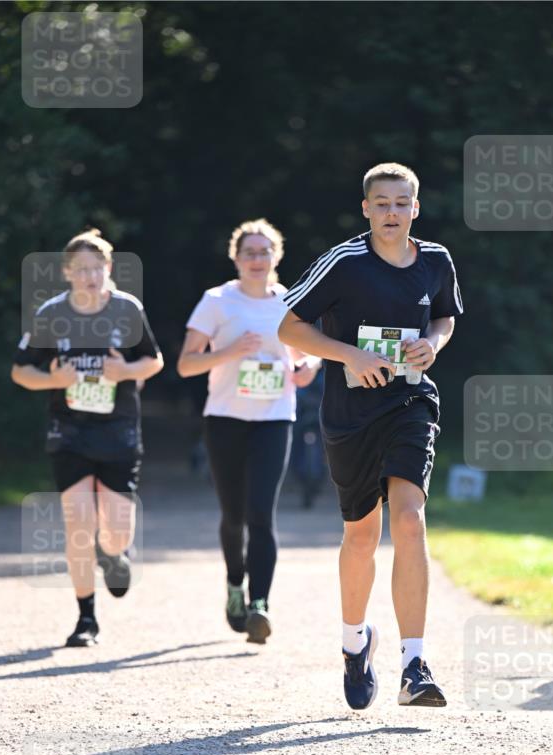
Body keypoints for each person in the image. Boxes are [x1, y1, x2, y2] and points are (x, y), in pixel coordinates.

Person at [278, 163, 463, 709]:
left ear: (416, 208)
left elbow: (446, 318)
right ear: (366, 208)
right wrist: (349, 355)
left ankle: (414, 664)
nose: (392, 213)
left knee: (409, 519)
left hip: (410, 402)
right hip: (350, 412)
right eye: (381, 203)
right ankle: (355, 642)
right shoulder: (344, 261)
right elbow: (289, 326)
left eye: (401, 203)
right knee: (361, 535)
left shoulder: (435, 260)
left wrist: (433, 344)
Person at [11, 228, 163, 647]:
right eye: (81, 270)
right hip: (70, 431)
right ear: (66, 273)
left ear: (109, 269)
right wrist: (52, 379)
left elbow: (153, 360)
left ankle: (112, 553)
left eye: (97, 268)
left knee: (116, 532)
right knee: (77, 521)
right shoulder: (52, 313)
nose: (90, 277)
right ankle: (86, 619)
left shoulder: (127, 309)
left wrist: (126, 372)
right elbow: (20, 371)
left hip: (118, 431)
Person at [177, 219, 319, 644]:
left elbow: (309, 357)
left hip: (274, 419)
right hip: (224, 418)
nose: (257, 260)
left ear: (277, 256)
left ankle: (260, 604)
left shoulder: (290, 301)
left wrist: (306, 367)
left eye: (264, 252)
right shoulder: (217, 301)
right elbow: (186, 363)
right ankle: (235, 584)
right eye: (249, 253)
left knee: (261, 512)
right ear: (236, 258)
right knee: (233, 515)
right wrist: (229, 352)